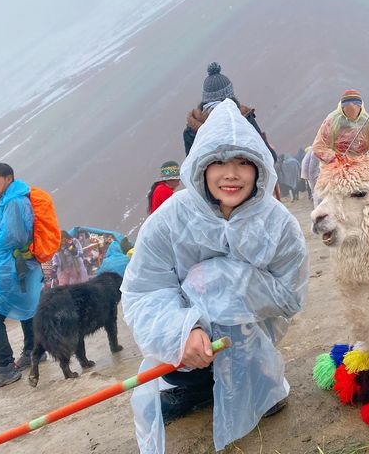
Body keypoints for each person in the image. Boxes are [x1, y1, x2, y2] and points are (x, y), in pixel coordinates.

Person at [122, 100, 308, 453]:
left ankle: (259, 379)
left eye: (242, 162)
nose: (231, 174)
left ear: (258, 168)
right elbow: (144, 290)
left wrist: (228, 286)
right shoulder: (169, 219)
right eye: (219, 162)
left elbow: (290, 294)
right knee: (182, 359)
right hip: (187, 344)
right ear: (201, 168)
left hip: (250, 335)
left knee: (211, 282)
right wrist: (183, 329)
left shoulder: (279, 223)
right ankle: (192, 385)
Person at [0, 163, 43, 390]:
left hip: (13, 267)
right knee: (27, 306)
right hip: (22, 265)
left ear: (8, 178)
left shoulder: (14, 202)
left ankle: (6, 368)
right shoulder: (11, 199)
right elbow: (16, 231)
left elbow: (15, 239)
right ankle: (33, 351)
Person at [182, 62, 277, 163]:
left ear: (205, 99)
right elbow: (269, 156)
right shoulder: (244, 119)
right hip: (243, 175)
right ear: (231, 97)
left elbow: (191, 170)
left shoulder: (192, 130)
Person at [312, 89, 369, 163]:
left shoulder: (367, 120)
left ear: (359, 106)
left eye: (355, 106)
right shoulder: (333, 120)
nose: (352, 109)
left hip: (362, 164)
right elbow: (319, 146)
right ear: (342, 107)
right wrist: (334, 158)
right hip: (337, 166)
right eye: (347, 108)